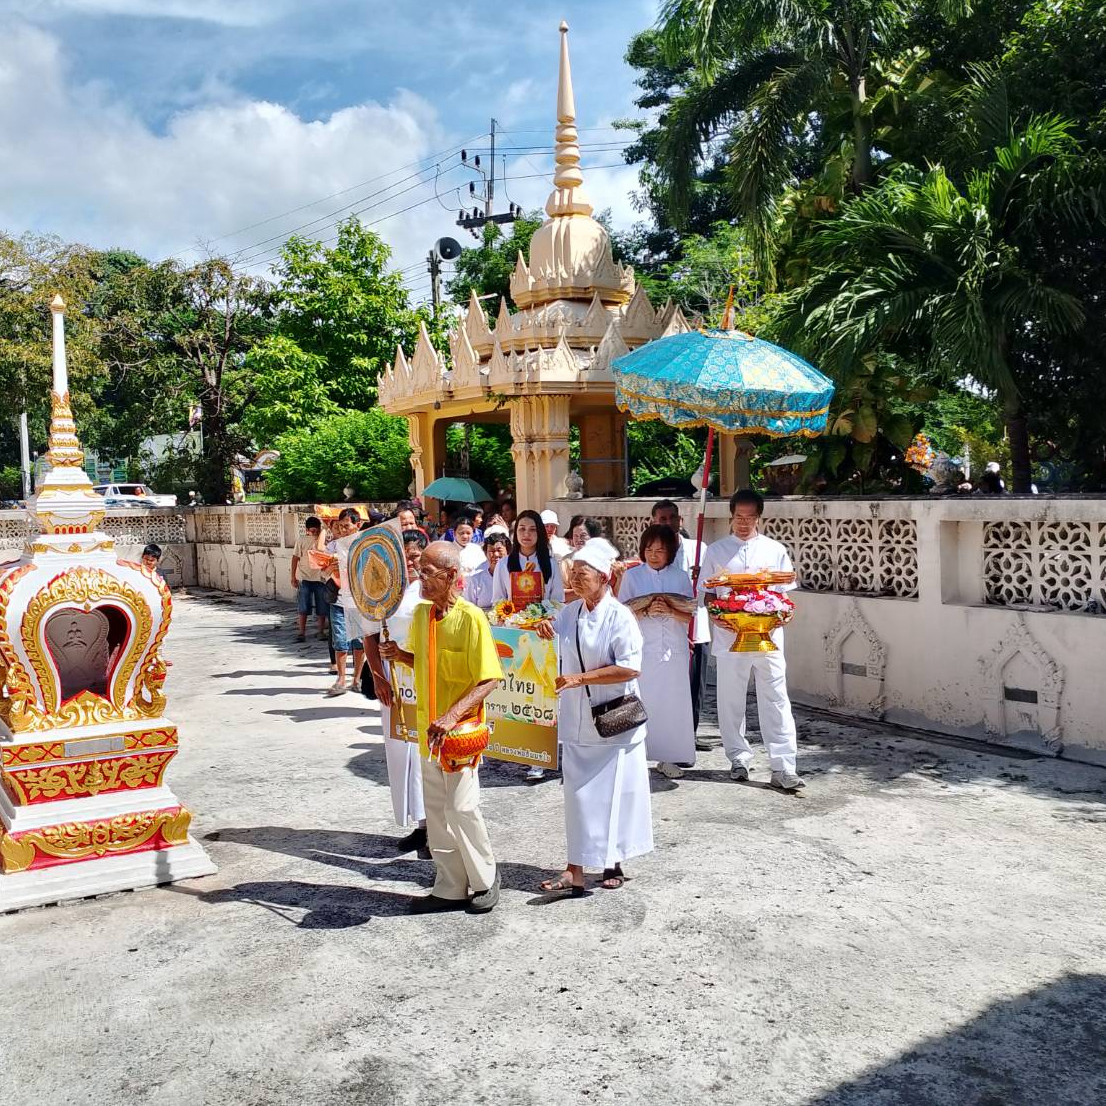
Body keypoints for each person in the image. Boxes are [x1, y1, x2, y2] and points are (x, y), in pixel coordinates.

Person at [381, 542, 504, 914]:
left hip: (460, 732)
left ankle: (485, 878)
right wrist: (399, 656)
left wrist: (452, 716)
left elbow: (489, 679)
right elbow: (424, 660)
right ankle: (450, 886)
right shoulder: (422, 615)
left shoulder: (471, 618)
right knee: (436, 812)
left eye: (428, 573)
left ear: (451, 576)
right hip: (427, 730)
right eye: (420, 571)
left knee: (462, 807)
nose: (421, 579)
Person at [537, 538, 653, 896]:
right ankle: (574, 868)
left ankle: (611, 863)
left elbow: (630, 669)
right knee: (577, 797)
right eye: (572, 572)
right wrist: (543, 631)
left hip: (613, 722)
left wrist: (580, 679)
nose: (574, 578)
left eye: (583, 573)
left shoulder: (621, 616)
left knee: (614, 796)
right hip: (577, 722)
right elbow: (554, 639)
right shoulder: (569, 612)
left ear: (604, 577)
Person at [699, 490, 804, 791]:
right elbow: (708, 593)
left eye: (750, 518)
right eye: (738, 518)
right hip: (729, 636)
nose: (743, 524)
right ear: (731, 516)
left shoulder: (774, 549)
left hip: (768, 637)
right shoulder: (717, 551)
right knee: (730, 699)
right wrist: (715, 613)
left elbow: (784, 595)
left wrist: (784, 614)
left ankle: (784, 765)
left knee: (776, 698)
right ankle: (738, 758)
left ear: (759, 517)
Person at [364, 530, 429, 856]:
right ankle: (419, 823)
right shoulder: (383, 591)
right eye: (405, 558)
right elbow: (369, 636)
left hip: (425, 675)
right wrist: (378, 678)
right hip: (394, 680)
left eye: (416, 556)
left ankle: (435, 825)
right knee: (401, 750)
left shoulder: (429, 590)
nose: (412, 563)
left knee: (425, 752)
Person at [492, 508, 565, 780]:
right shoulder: (504, 565)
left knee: (542, 697)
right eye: (521, 529)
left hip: (543, 637)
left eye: (532, 529)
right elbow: (498, 601)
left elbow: (559, 601)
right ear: (515, 533)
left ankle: (541, 756)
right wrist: (513, 618)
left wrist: (543, 617)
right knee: (519, 694)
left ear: (541, 533)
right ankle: (521, 749)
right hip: (515, 638)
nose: (526, 534)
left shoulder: (551, 564)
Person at [618, 524, 696, 778]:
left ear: (670, 552)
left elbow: (690, 613)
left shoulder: (680, 576)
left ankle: (669, 758)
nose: (653, 555)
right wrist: (645, 611)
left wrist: (671, 611)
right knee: (643, 700)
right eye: (649, 549)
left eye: (659, 550)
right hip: (644, 647)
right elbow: (621, 613)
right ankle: (637, 754)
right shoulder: (633, 576)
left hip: (673, 648)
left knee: (673, 704)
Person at [651, 499, 712, 744]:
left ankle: (690, 735)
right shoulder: (651, 552)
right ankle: (665, 735)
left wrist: (702, 578)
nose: (667, 523)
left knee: (695, 685)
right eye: (661, 519)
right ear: (653, 522)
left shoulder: (699, 548)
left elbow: (712, 586)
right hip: (663, 630)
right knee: (666, 685)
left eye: (671, 518)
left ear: (680, 521)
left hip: (695, 627)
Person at [323, 507, 364, 697]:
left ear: (358, 525)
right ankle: (340, 678)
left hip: (359, 602)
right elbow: (323, 571)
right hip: (339, 599)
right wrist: (330, 567)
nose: (344, 530)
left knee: (359, 642)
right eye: (341, 526)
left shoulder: (365, 545)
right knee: (339, 640)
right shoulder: (334, 546)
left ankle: (357, 678)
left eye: (347, 526)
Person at [291, 516, 328, 643]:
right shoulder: (301, 540)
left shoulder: (324, 540)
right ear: (307, 530)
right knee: (303, 607)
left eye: (316, 531)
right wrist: (293, 577)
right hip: (305, 577)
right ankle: (301, 632)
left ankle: (321, 631)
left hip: (320, 578)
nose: (314, 533)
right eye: (312, 531)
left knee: (322, 607)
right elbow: (295, 558)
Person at [464, 528, 508, 610]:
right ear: (485, 553)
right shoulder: (475, 580)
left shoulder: (514, 577)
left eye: (499, 550)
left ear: (508, 552)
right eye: (491, 551)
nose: (496, 554)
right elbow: (468, 608)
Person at [561, 515, 604, 599]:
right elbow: (562, 593)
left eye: (583, 535)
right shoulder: (566, 561)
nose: (579, 539)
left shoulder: (603, 559)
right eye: (575, 536)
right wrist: (587, 590)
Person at [451, 513, 487, 581]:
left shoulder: (477, 549)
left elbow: (483, 568)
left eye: (468, 533)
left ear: (473, 533)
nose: (465, 536)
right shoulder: (447, 549)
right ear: (454, 533)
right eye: (461, 533)